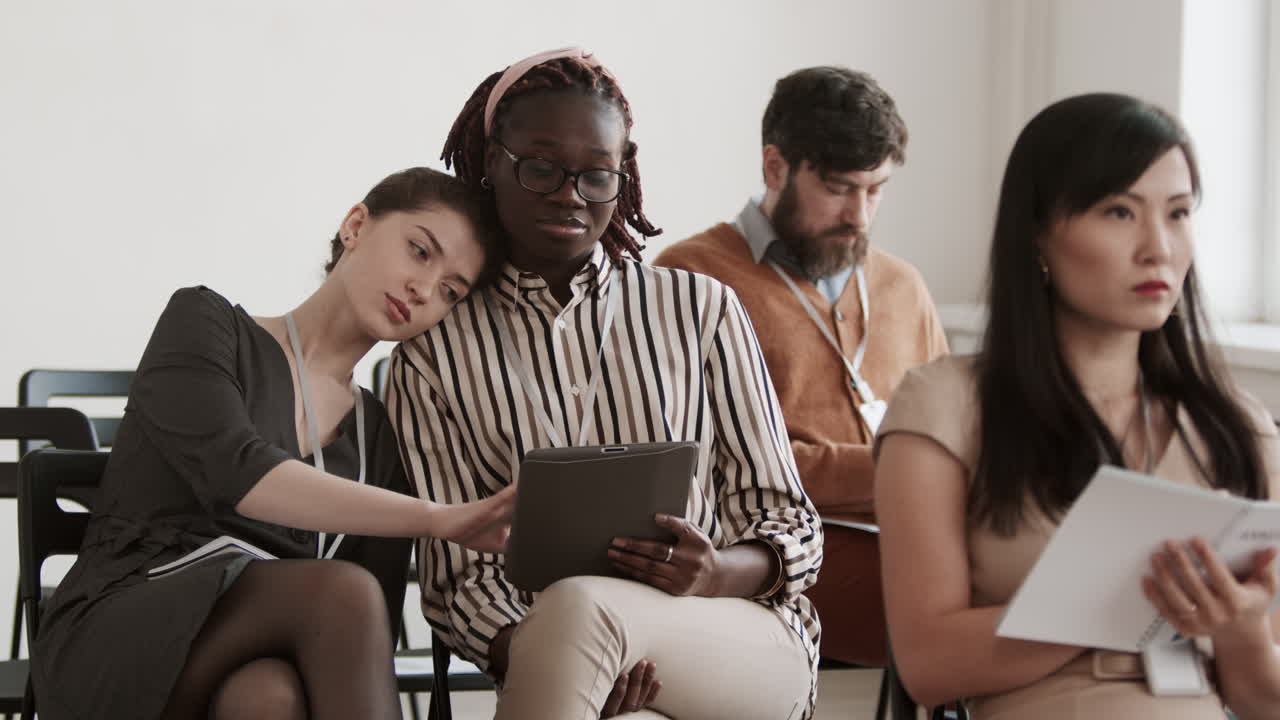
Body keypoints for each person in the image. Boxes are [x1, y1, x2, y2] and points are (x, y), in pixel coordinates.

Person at [387, 48, 822, 720]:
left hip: (737, 636)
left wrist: (715, 573)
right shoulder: (431, 350)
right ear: (489, 162)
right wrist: (553, 656)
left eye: (596, 176)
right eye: (541, 167)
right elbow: (457, 583)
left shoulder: (701, 309)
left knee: (579, 605)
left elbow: (790, 521)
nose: (569, 194)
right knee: (585, 637)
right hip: (566, 663)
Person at [32, 167, 516, 720]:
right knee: (342, 593)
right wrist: (436, 517)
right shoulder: (205, 325)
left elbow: (364, 632)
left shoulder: (380, 435)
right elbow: (236, 473)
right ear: (356, 224)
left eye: (451, 292)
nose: (425, 290)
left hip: (243, 662)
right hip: (117, 633)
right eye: (419, 252)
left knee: (269, 696)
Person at [874, 92, 1280, 719]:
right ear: (1038, 232)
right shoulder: (944, 407)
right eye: (1120, 212)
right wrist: (1131, 593)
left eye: (1177, 214)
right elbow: (928, 664)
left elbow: (1259, 699)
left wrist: (1241, 626)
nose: (1158, 248)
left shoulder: (1238, 428)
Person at [654, 66, 947, 666]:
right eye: (840, 188)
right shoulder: (691, 278)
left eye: (876, 189)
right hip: (780, 557)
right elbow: (701, 470)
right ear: (775, 168)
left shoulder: (902, 286)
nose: (860, 216)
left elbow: (950, 436)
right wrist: (893, 471)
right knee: (982, 600)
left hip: (919, 536)